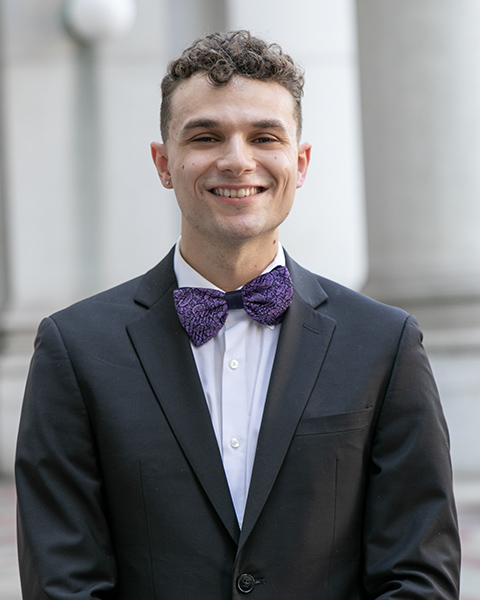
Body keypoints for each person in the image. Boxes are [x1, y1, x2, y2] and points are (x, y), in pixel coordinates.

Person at [15, 30, 460, 599]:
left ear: (299, 163)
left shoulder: (385, 344)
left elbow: (418, 574)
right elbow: (63, 584)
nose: (236, 160)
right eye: (206, 136)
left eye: (264, 136)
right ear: (163, 163)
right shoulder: (74, 350)